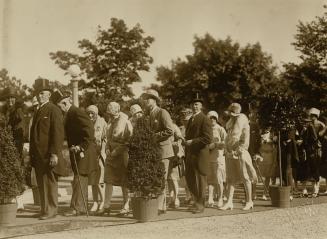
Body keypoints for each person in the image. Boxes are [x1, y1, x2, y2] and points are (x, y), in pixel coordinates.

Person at [29, 80, 67, 220]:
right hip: (38, 155)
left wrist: (54, 153)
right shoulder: (38, 110)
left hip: (48, 154)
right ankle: (44, 209)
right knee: (41, 183)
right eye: (38, 93)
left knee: (50, 182)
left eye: (42, 93)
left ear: (49, 95)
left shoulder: (53, 109)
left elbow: (57, 133)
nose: (39, 96)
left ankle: (51, 210)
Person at [56, 94, 98, 216]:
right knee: (79, 178)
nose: (60, 109)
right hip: (77, 151)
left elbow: (89, 130)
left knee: (79, 178)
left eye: (60, 107)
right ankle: (80, 207)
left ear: (65, 103)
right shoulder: (70, 113)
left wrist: (81, 146)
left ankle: (77, 208)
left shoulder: (76, 112)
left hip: (83, 151)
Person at [141, 89, 174, 215]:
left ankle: (160, 206)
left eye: (148, 98)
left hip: (163, 150)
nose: (146, 101)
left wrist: (154, 136)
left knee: (161, 178)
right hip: (154, 151)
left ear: (154, 100)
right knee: (156, 178)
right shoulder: (148, 114)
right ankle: (161, 206)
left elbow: (169, 130)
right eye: (145, 98)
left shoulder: (162, 112)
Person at [220, 103, 257, 211]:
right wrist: (227, 149)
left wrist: (235, 149)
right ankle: (229, 202)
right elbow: (228, 137)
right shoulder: (231, 121)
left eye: (232, 114)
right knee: (230, 178)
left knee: (245, 177)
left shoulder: (242, 119)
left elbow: (239, 137)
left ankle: (249, 201)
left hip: (240, 151)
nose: (231, 116)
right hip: (231, 152)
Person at [100, 102, 133, 216]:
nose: (109, 114)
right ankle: (106, 206)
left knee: (124, 181)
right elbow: (107, 138)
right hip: (111, 154)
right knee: (108, 179)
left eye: (111, 111)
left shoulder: (125, 121)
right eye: (108, 111)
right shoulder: (110, 121)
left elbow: (129, 139)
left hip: (122, 154)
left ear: (117, 110)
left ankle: (126, 206)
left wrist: (117, 150)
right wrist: (107, 149)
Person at [184, 96, 212, 214]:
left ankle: (201, 204)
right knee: (190, 179)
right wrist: (185, 141)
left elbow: (208, 138)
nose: (194, 106)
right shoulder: (191, 119)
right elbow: (189, 136)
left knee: (201, 180)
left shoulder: (204, 119)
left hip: (200, 154)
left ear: (201, 106)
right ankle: (196, 201)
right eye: (193, 104)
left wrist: (193, 142)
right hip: (191, 154)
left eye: (197, 104)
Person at [86, 105, 107, 214]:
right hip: (91, 154)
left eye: (92, 113)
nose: (90, 115)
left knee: (99, 180)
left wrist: (102, 151)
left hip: (100, 154)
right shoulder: (88, 123)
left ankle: (103, 201)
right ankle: (95, 201)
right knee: (92, 180)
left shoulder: (102, 122)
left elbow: (105, 138)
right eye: (88, 113)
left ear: (96, 113)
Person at [299, 108, 325, 197]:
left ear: (316, 116)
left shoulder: (320, 125)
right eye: (311, 116)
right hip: (308, 149)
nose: (312, 118)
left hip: (315, 149)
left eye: (313, 116)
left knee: (315, 169)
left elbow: (318, 137)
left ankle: (315, 190)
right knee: (307, 169)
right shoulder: (307, 126)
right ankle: (306, 190)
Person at [207, 111, 226, 208]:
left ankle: (220, 198)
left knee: (219, 179)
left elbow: (225, 142)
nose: (212, 120)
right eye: (210, 118)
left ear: (216, 119)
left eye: (214, 118)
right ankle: (210, 198)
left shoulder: (220, 129)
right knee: (210, 179)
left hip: (218, 157)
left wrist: (216, 144)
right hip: (209, 158)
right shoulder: (206, 129)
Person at [254, 128, 278, 200]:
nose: (267, 128)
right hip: (261, 156)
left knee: (268, 176)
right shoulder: (259, 134)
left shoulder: (273, 135)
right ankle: (254, 193)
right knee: (256, 175)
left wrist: (271, 141)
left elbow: (275, 147)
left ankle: (264, 193)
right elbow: (257, 146)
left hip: (269, 156)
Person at [167, 122, 184, 209]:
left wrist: (174, 145)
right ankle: (171, 197)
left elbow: (180, 139)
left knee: (173, 178)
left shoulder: (174, 126)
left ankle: (177, 198)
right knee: (168, 179)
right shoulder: (162, 127)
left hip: (174, 155)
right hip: (166, 155)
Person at [179, 107, 193, 205]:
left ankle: (193, 196)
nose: (185, 122)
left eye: (187, 120)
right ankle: (188, 195)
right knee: (184, 176)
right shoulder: (180, 129)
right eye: (183, 120)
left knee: (193, 176)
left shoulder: (194, 128)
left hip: (192, 154)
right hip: (182, 155)